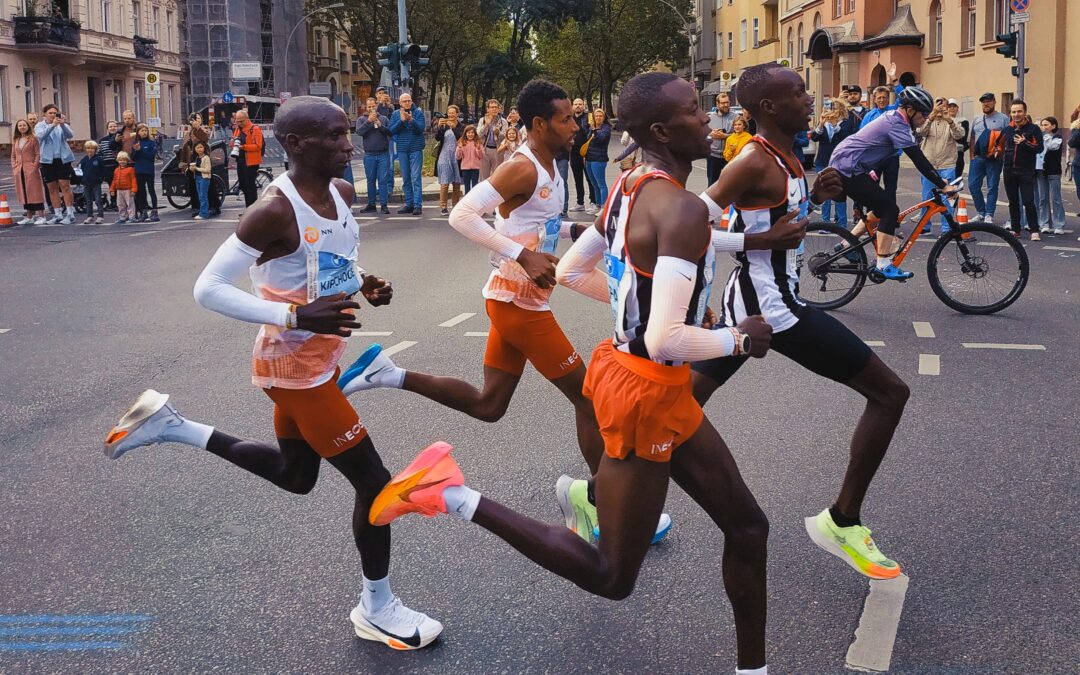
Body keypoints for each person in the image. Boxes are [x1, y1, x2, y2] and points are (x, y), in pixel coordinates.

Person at [366, 73, 774, 675]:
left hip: (632, 371)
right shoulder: (679, 207)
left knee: (747, 526)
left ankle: (752, 668)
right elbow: (665, 338)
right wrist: (738, 336)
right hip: (646, 389)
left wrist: (656, 303)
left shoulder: (627, 184)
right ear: (662, 130)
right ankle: (449, 494)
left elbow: (578, 273)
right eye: (695, 112)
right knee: (612, 575)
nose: (710, 121)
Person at [103, 95, 442, 651]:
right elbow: (206, 289)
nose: (347, 144)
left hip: (322, 357)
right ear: (296, 144)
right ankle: (376, 608)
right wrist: (294, 313)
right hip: (293, 366)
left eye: (346, 133)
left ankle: (171, 425)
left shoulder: (341, 191)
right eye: (333, 136)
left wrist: (363, 283)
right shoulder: (272, 212)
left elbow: (331, 258)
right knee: (376, 484)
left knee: (295, 475)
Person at [341, 78, 675, 546]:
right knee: (589, 398)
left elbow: (537, 227)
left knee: (489, 405)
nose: (576, 125)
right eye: (566, 119)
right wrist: (521, 256)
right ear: (540, 124)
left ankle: (388, 373)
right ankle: (602, 505)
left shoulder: (551, 166)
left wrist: (578, 230)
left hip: (516, 298)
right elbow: (463, 216)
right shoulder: (523, 168)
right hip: (517, 303)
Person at [698, 63, 910, 582]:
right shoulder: (750, 160)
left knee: (673, 407)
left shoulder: (787, 154)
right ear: (768, 107)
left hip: (754, 303)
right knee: (889, 393)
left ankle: (594, 495)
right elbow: (686, 226)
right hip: (773, 310)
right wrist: (756, 243)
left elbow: (769, 218)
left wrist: (817, 197)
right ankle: (842, 521)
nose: (809, 97)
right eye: (797, 92)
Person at [829, 86, 958, 279]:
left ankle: (846, 244)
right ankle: (883, 264)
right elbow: (918, 158)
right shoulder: (896, 123)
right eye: (922, 113)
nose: (924, 117)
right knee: (890, 209)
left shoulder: (896, 119)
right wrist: (942, 184)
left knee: (882, 209)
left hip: (851, 165)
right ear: (910, 109)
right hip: (848, 167)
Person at [914, 97, 965, 235]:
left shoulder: (952, 121)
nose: (941, 108)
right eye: (938, 104)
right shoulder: (927, 120)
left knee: (947, 198)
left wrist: (949, 119)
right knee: (927, 197)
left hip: (947, 164)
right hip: (929, 165)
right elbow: (920, 132)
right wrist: (931, 116)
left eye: (944, 105)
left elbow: (960, 135)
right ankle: (925, 226)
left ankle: (947, 228)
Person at [858, 67, 906, 203]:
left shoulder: (894, 111)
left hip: (892, 156)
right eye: (879, 98)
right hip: (874, 158)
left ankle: (890, 216)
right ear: (874, 99)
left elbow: (904, 98)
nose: (882, 100)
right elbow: (861, 137)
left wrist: (895, 81)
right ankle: (872, 215)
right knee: (872, 187)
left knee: (891, 188)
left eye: (884, 97)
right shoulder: (869, 116)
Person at [1000, 100, 1043, 240]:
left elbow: (1040, 148)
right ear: (1010, 113)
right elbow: (998, 144)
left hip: (1026, 170)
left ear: (1025, 112)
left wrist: (1025, 142)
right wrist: (996, 150)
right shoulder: (1007, 129)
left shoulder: (1033, 129)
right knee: (1013, 201)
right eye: (1013, 112)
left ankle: (1034, 230)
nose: (1016, 114)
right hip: (1008, 170)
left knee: (1028, 201)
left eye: (1019, 111)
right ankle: (1015, 229)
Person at [809, 97, 854, 227]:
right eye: (829, 108)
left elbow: (846, 138)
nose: (831, 111)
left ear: (840, 109)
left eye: (834, 108)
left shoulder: (845, 123)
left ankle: (841, 223)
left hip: (840, 163)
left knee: (839, 192)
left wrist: (835, 126)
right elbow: (815, 137)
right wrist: (821, 125)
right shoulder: (824, 123)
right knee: (824, 192)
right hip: (823, 160)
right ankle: (825, 222)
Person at [969, 93, 1010, 224]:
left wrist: (1002, 154)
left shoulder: (1003, 119)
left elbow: (1008, 138)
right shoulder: (977, 119)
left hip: (994, 159)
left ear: (994, 102)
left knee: (992, 187)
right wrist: (972, 156)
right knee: (973, 185)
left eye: (988, 101)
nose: (986, 104)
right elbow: (973, 137)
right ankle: (981, 211)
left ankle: (989, 214)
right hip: (978, 158)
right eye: (983, 102)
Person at [34, 104, 76, 225]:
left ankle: (70, 213)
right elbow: (41, 136)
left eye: (55, 113)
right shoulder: (40, 125)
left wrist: (62, 124)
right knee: (52, 188)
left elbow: (70, 135)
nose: (53, 115)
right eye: (50, 113)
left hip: (63, 159)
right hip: (47, 160)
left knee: (65, 185)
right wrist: (52, 125)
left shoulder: (62, 124)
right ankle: (57, 214)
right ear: (44, 114)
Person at [388, 93, 426, 215]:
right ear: (400, 103)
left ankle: (417, 205)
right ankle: (409, 203)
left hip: (416, 148)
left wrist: (411, 120)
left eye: (409, 100)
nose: (407, 103)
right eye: (404, 101)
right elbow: (391, 130)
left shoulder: (418, 113)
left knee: (416, 178)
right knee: (406, 178)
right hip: (402, 149)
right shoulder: (395, 114)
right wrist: (402, 121)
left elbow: (420, 129)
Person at [356, 97, 393, 214]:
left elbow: (390, 132)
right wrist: (369, 122)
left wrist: (380, 125)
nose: (371, 108)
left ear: (376, 106)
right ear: (366, 108)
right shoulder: (361, 119)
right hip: (369, 154)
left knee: (382, 180)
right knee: (370, 180)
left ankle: (384, 205)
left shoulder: (383, 118)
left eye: (373, 106)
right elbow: (359, 132)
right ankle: (371, 204)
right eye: (369, 106)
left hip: (383, 154)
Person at [10, 119, 47, 226]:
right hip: (19, 170)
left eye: (24, 125)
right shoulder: (16, 140)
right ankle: (29, 216)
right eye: (20, 125)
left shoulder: (33, 139)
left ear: (28, 126)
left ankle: (41, 215)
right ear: (17, 128)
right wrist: (15, 166)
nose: (22, 127)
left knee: (35, 192)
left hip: (30, 169)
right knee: (24, 192)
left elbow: (37, 154)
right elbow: (13, 155)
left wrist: (34, 166)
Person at [1035, 116, 1065, 235]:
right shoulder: (1039, 137)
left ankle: (1059, 224)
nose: (1044, 127)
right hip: (1041, 171)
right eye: (1042, 125)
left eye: (1046, 125)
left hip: (1054, 171)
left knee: (1056, 199)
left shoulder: (1057, 137)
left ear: (1053, 126)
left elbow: (1052, 146)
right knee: (1043, 198)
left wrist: (1044, 136)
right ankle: (1044, 223)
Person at [434, 104, 464, 216]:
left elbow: (460, 137)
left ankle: (455, 205)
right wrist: (439, 127)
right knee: (445, 182)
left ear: (457, 114)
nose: (451, 114)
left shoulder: (462, 126)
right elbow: (438, 137)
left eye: (453, 112)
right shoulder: (444, 125)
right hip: (444, 155)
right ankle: (443, 206)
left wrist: (453, 127)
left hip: (457, 156)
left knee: (457, 182)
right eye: (449, 112)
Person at [180, 113, 212, 216]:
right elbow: (184, 148)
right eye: (194, 119)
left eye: (198, 119)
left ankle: (209, 208)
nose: (196, 121)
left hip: (203, 160)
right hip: (192, 162)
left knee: (205, 187)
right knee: (195, 186)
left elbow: (205, 140)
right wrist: (184, 163)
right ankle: (197, 208)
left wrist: (198, 129)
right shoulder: (188, 133)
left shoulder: (203, 130)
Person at [231, 110, 265, 209]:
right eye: (237, 121)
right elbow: (233, 142)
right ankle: (248, 209)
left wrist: (244, 147)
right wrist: (233, 142)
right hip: (241, 160)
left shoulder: (255, 129)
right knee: (243, 185)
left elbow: (258, 146)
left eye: (241, 121)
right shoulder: (238, 129)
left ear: (247, 119)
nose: (239, 123)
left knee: (250, 186)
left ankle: (253, 210)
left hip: (251, 162)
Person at [568, 98, 595, 211]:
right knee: (577, 179)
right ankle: (580, 203)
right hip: (574, 153)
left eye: (580, 104)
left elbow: (593, 133)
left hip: (587, 153)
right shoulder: (569, 119)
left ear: (583, 106)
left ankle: (593, 202)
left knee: (590, 178)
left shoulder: (588, 117)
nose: (578, 106)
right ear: (572, 106)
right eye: (576, 104)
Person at [583, 108, 611, 212]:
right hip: (589, 159)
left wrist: (594, 129)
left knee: (601, 184)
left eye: (600, 116)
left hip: (599, 160)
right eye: (596, 116)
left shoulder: (606, 128)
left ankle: (604, 207)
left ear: (603, 118)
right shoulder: (591, 128)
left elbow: (600, 140)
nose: (598, 117)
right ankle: (598, 205)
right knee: (594, 184)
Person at [707, 92, 739, 185]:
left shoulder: (735, 117)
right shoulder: (709, 118)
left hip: (729, 157)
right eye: (723, 103)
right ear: (717, 104)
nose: (726, 105)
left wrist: (724, 136)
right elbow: (703, 136)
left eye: (727, 102)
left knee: (729, 185)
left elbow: (740, 135)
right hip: (713, 157)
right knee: (712, 185)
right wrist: (711, 134)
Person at [131, 124, 160, 222]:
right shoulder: (135, 143)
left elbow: (151, 155)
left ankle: (154, 211)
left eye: (145, 130)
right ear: (138, 132)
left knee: (151, 190)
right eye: (142, 130)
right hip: (139, 170)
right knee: (141, 191)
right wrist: (137, 151)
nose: (144, 132)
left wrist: (141, 150)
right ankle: (143, 211)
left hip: (149, 170)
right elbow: (133, 157)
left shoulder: (151, 143)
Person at [476, 99, 507, 180]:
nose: (494, 109)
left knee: (497, 176)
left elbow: (506, 137)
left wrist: (498, 133)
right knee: (483, 177)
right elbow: (478, 135)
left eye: (496, 107)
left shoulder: (503, 121)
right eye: (492, 107)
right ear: (488, 109)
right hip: (485, 150)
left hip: (498, 151)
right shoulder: (482, 120)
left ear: (499, 109)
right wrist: (486, 124)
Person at [79, 140, 107, 224]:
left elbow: (103, 170)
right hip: (86, 183)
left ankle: (100, 216)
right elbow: (81, 170)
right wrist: (82, 180)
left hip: (96, 183)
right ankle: (89, 216)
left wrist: (100, 179)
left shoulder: (98, 159)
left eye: (92, 148)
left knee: (98, 199)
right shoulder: (84, 160)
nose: (90, 150)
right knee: (88, 200)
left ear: (95, 149)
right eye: (88, 148)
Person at [97, 120, 120, 211]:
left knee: (117, 184)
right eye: (110, 126)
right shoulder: (103, 140)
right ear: (107, 128)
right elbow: (100, 152)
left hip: (117, 165)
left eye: (114, 126)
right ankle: (113, 202)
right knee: (111, 185)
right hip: (106, 166)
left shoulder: (119, 138)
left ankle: (118, 202)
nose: (113, 128)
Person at [110, 151, 137, 224]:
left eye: (124, 160)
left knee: (130, 203)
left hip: (128, 189)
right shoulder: (116, 170)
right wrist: (112, 189)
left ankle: (132, 217)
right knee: (120, 204)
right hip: (119, 190)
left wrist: (133, 190)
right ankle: (122, 217)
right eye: (121, 160)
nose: (122, 162)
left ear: (127, 161)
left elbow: (133, 180)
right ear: (118, 161)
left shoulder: (130, 169)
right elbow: (114, 180)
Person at [456, 125, 483, 194]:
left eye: (472, 133)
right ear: (465, 134)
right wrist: (459, 148)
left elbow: (481, 156)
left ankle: (474, 201)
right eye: (468, 133)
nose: (470, 134)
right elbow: (458, 157)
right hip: (465, 168)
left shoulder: (478, 142)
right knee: (466, 186)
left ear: (475, 134)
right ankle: (467, 200)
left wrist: (478, 149)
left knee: (475, 186)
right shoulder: (462, 142)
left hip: (475, 168)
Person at [189, 141, 213, 220]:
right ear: (195, 149)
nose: (199, 149)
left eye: (201, 147)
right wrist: (192, 169)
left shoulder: (206, 157)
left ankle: (204, 214)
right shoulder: (196, 158)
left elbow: (208, 169)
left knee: (203, 196)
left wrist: (196, 168)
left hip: (204, 178)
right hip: (198, 178)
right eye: (197, 147)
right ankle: (202, 212)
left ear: (204, 148)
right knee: (200, 196)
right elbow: (195, 170)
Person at [947, 99, 970, 178]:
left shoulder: (963, 121)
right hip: (944, 156)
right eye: (949, 106)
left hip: (958, 155)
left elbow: (962, 139)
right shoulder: (942, 121)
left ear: (957, 108)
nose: (952, 108)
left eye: (954, 106)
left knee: (956, 180)